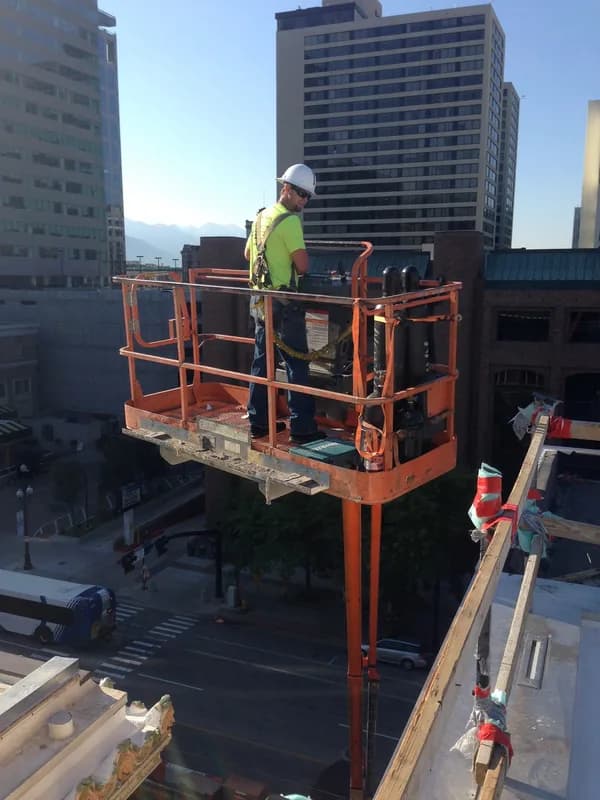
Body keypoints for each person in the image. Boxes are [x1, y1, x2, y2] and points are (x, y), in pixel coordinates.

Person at [245, 163, 325, 444]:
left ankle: (258, 422)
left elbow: (248, 254)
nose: (304, 200)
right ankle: (302, 427)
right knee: (296, 364)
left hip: (259, 300)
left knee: (261, 362)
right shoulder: (290, 222)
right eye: (301, 194)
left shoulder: (260, 218)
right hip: (283, 303)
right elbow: (302, 266)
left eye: (308, 197)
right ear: (286, 189)